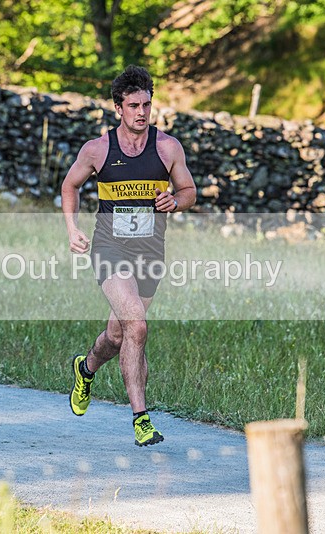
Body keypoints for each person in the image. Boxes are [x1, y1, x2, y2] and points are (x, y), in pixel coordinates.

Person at [61, 65, 196, 446]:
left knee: (118, 334)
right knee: (137, 326)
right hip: (109, 249)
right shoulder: (98, 149)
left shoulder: (168, 147)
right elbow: (69, 186)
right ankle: (141, 418)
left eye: (147, 105)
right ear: (118, 108)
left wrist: (177, 200)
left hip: (151, 252)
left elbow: (189, 190)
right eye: (133, 105)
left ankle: (85, 368)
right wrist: (72, 229)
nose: (141, 112)